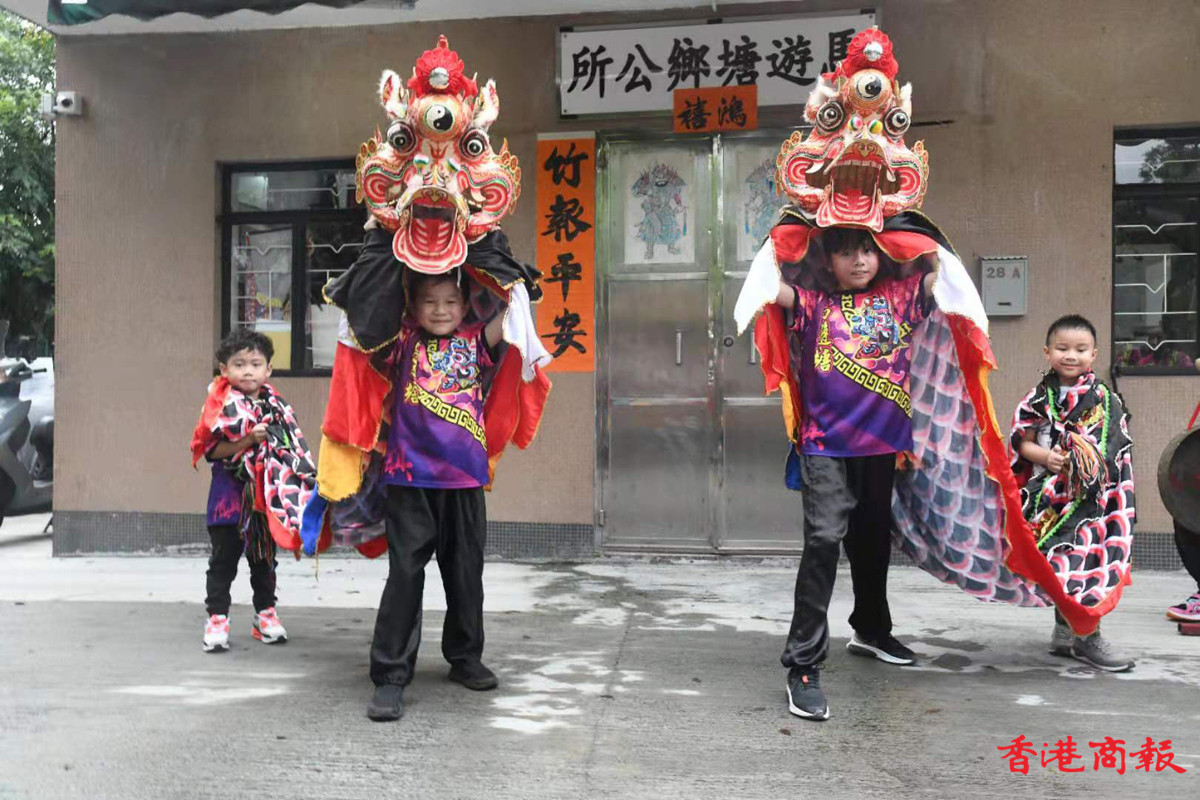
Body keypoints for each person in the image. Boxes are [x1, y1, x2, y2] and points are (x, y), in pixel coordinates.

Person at [772, 226, 935, 721]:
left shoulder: (901, 297)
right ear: (829, 262)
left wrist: (906, 226)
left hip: (882, 445)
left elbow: (942, 277)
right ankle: (803, 665)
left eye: (867, 250)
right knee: (824, 539)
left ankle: (871, 630)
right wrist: (789, 229)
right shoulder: (812, 304)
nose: (859, 260)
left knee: (871, 541)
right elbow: (765, 288)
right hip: (824, 444)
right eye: (846, 253)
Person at [366, 270, 507, 722]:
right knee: (405, 575)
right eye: (430, 301)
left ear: (465, 307)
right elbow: (370, 319)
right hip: (409, 478)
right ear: (413, 307)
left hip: (464, 480)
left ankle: (465, 657)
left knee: (465, 572)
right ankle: (390, 674)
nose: (441, 310)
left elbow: (512, 317)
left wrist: (520, 286)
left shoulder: (476, 342)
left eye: (450, 301)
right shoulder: (402, 341)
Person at [1011, 314, 1136, 671]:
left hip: (1093, 502)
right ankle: (1067, 632)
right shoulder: (1037, 397)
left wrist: (1086, 463)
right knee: (1060, 563)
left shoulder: (1105, 398)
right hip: (1050, 500)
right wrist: (1046, 458)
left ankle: (1086, 636)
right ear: (1047, 352)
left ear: (1093, 355)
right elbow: (1022, 442)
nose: (1071, 356)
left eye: (1081, 349)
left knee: (1086, 563)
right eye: (1062, 348)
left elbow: (1115, 449)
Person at [191, 328, 316, 652]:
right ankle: (217, 619)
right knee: (223, 561)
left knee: (264, 561)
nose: (248, 371)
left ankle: (265, 615)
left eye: (256, 364)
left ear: (268, 369)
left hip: (265, 497)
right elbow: (211, 451)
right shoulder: (219, 406)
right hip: (229, 500)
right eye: (239, 364)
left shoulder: (278, 407)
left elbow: (291, 448)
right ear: (224, 369)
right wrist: (248, 440)